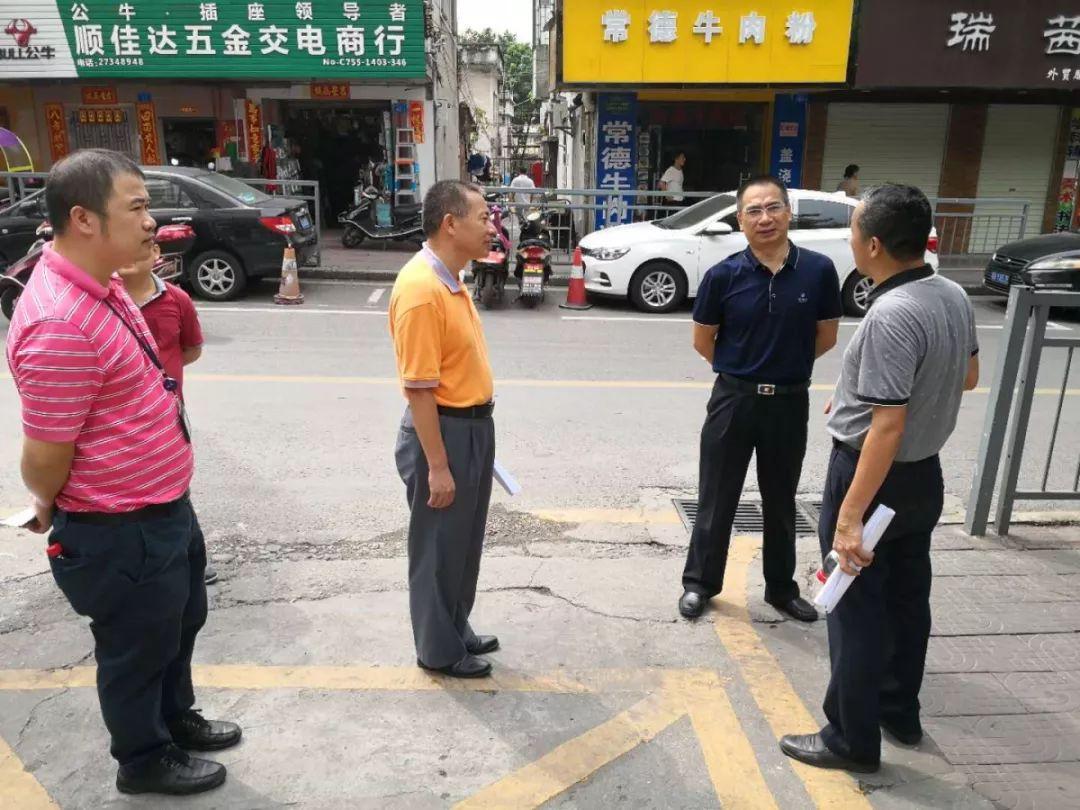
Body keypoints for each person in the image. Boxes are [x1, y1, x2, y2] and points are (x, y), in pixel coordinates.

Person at [5, 149, 240, 796]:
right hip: (119, 527)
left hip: (163, 507)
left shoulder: (104, 284)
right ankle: (144, 758)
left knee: (178, 623)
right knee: (135, 649)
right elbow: (44, 456)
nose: (151, 221)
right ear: (84, 219)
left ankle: (175, 717)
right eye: (136, 208)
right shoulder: (59, 323)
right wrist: (46, 501)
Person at [779, 184, 979, 773]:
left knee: (855, 609)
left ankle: (851, 739)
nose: (850, 240)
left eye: (853, 230)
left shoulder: (892, 313)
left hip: (873, 478)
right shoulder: (949, 293)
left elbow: (887, 427)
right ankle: (898, 712)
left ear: (872, 245)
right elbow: (966, 376)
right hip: (922, 480)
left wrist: (849, 517)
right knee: (906, 600)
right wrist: (855, 397)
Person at [678, 175, 843, 623]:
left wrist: (785, 366)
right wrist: (744, 369)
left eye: (773, 207)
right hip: (733, 400)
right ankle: (700, 584)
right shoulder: (723, 275)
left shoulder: (818, 271)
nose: (764, 218)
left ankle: (781, 589)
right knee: (716, 497)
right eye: (753, 210)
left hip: (788, 402)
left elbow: (826, 335)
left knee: (781, 499)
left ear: (789, 213)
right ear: (740, 220)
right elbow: (703, 340)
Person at [389, 180, 500, 679]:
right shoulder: (420, 290)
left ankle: (456, 626)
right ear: (451, 224)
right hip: (443, 433)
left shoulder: (452, 279)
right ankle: (437, 649)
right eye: (483, 218)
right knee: (437, 547)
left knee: (463, 543)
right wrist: (438, 466)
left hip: (470, 428)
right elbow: (419, 389)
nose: (492, 228)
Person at [118, 243, 216, 586]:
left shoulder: (177, 299)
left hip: (169, 415)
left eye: (143, 245)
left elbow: (191, 349)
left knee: (177, 487)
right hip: (119, 421)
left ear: (156, 253)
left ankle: (190, 556)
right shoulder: (104, 301)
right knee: (127, 490)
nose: (133, 253)